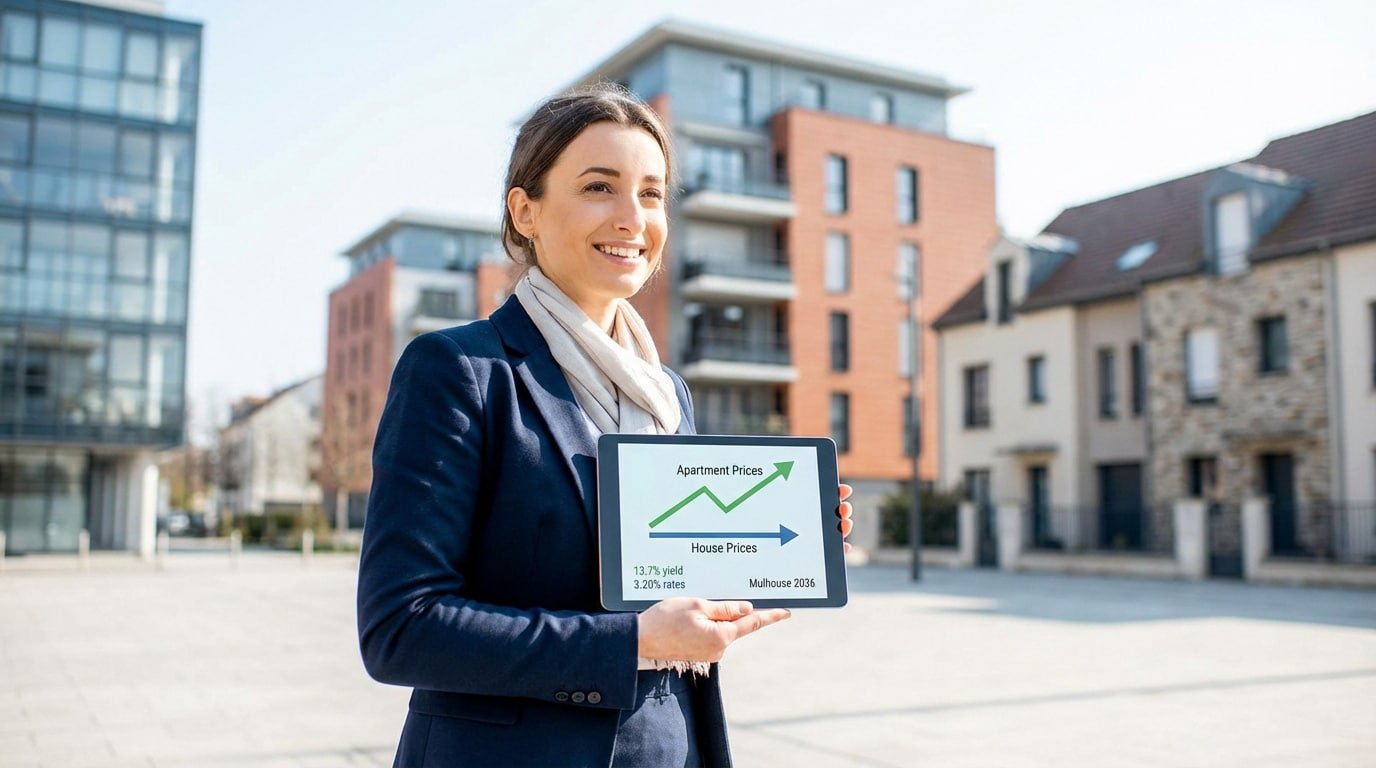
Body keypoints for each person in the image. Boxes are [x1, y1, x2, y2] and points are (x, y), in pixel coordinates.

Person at [356, 84, 854, 768]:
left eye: (652, 194)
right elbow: (400, 630)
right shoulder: (460, 371)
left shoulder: (665, 392)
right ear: (524, 210)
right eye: (599, 187)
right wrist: (635, 643)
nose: (632, 218)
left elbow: (674, 577)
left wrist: (782, 538)